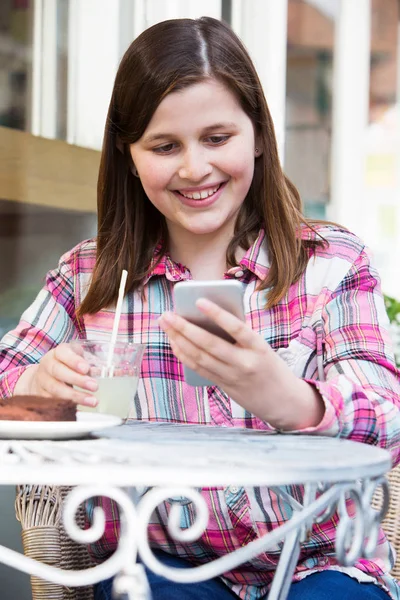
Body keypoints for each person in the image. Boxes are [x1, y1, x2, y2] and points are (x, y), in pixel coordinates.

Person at [1, 16, 399, 600]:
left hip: (320, 564)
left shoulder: (332, 264)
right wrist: (34, 383)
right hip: (155, 564)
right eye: (165, 146)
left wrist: (288, 398)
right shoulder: (90, 275)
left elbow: (389, 421)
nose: (194, 168)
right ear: (130, 156)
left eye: (217, 138)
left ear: (258, 135)